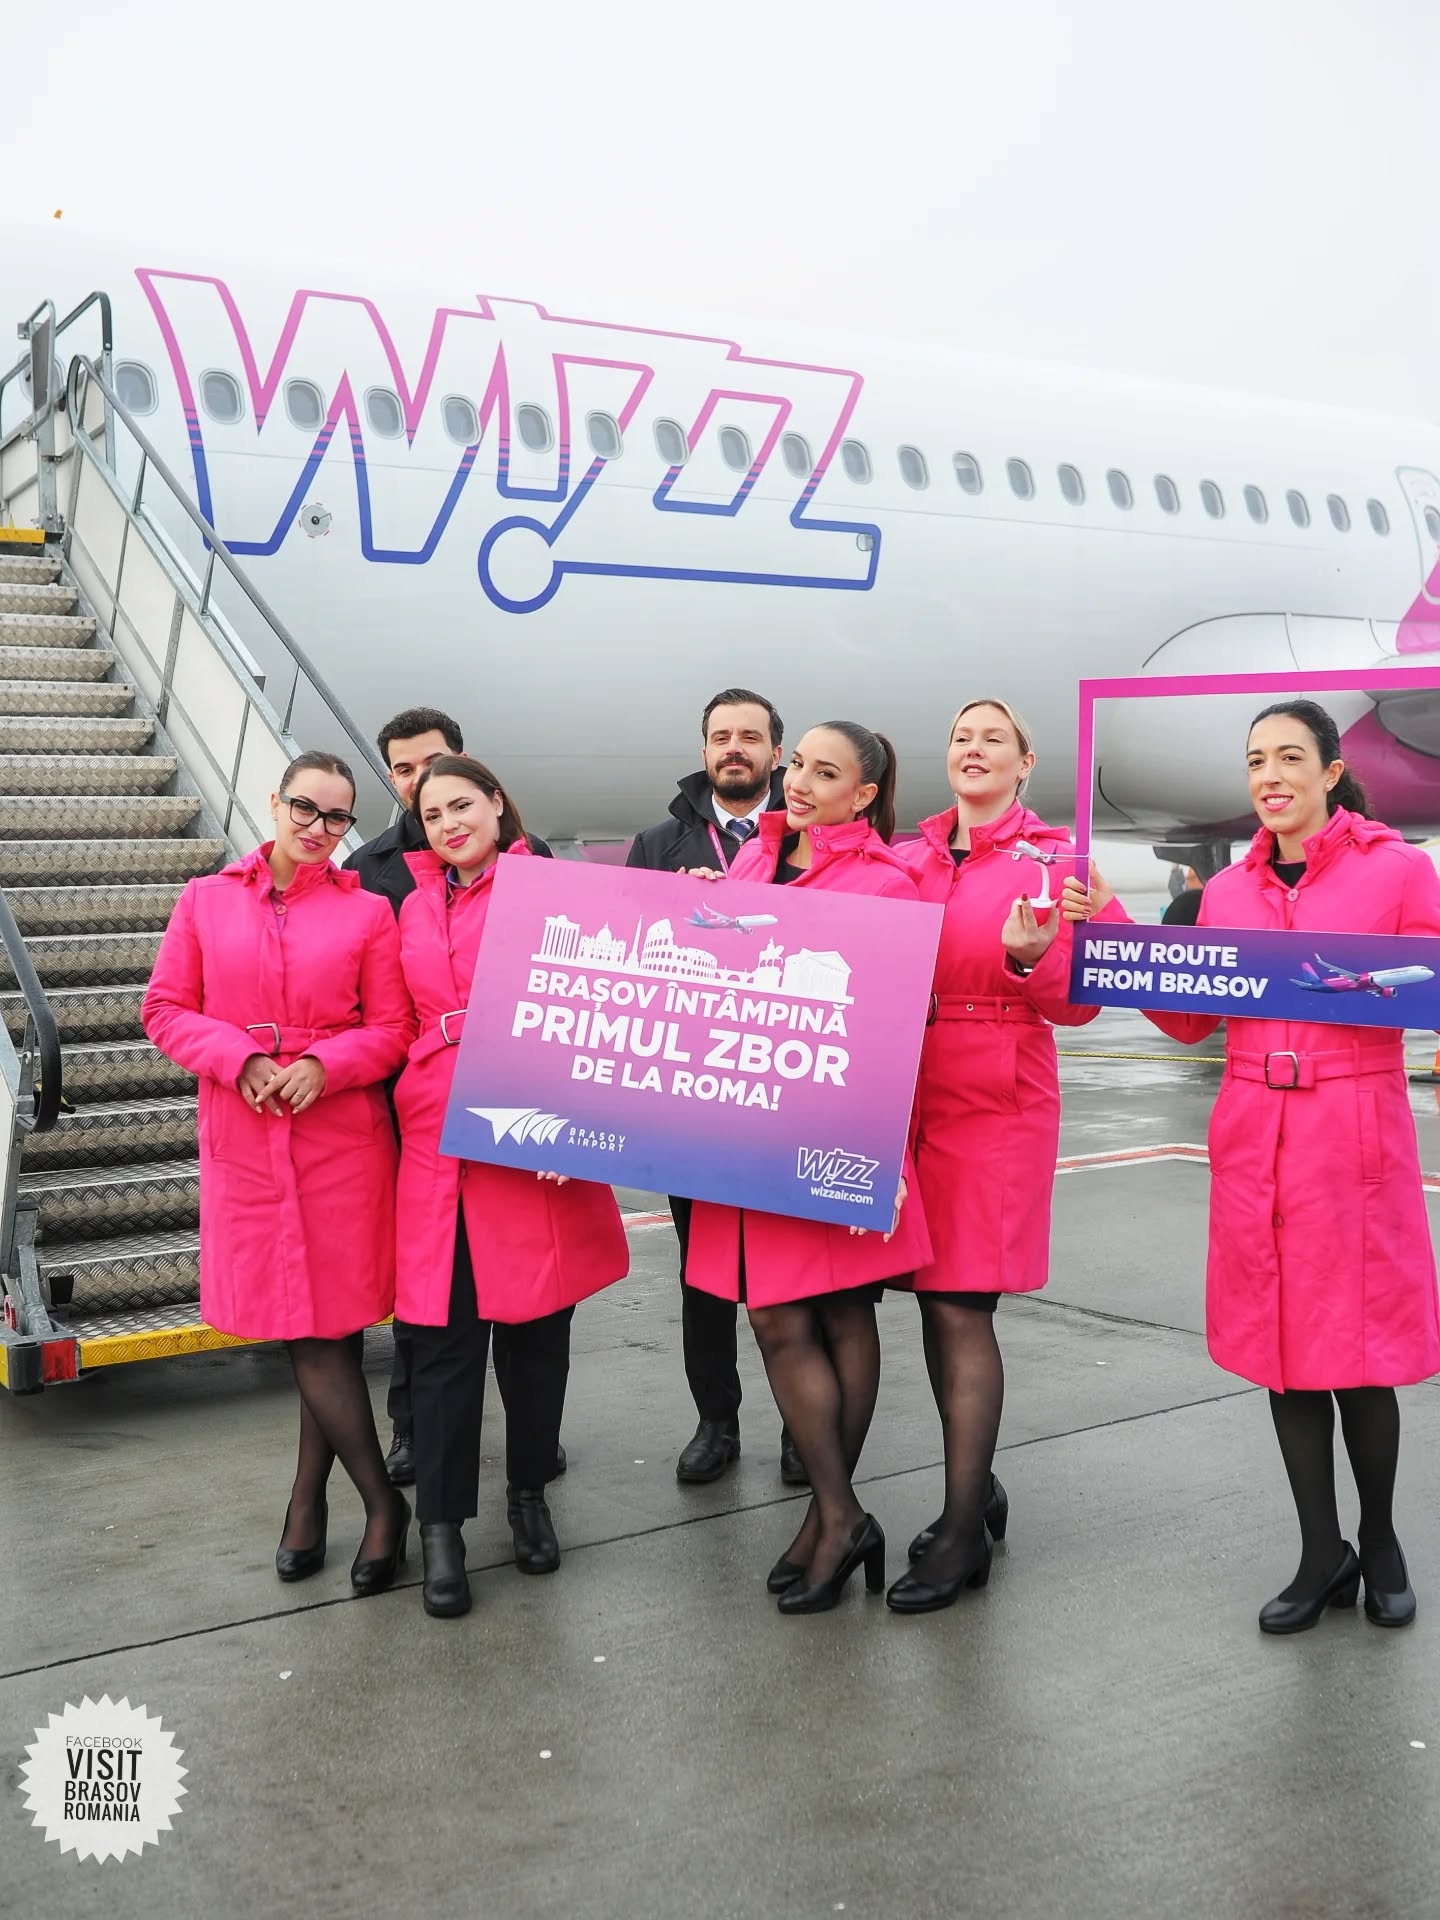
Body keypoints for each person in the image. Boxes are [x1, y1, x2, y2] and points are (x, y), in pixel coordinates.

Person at [1076, 699, 1440, 1633]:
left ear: (1330, 772)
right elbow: (1189, 1015)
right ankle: (1322, 1552)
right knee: (1285, 1357)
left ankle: (1380, 1540)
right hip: (1255, 1136)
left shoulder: (1398, 870)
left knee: (1360, 1355)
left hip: (1353, 1135)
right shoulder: (1228, 892)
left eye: (1288, 758)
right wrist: (1108, 919)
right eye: (1255, 761)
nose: (1269, 777)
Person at [142, 751, 416, 1596]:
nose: (319, 828)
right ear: (275, 801)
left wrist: (326, 1065)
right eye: (305, 808)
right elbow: (164, 1009)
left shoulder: (368, 913)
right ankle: (350, 1500)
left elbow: (394, 1028)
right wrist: (239, 1057)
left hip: (340, 1145)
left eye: (336, 817)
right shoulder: (205, 899)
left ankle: (349, 1504)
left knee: (325, 1330)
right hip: (248, 1134)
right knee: (311, 1331)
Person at [684, 721, 933, 1614]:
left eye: (825, 774)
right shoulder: (753, 859)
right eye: (798, 766)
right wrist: (697, 913)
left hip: (831, 1128)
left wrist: (883, 1146)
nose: (798, 782)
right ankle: (838, 1516)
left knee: (839, 1312)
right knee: (775, 1319)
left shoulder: (888, 881)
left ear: (862, 795)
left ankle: (832, 1521)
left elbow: (896, 1026)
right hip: (750, 1129)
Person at [887, 699, 1128, 1613]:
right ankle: (976, 1486)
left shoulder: (1060, 863)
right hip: (910, 1094)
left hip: (996, 1098)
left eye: (994, 738)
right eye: (961, 736)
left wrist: (1031, 962)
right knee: (930, 1296)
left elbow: (1084, 1002)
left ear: (1026, 763)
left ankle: (960, 1533)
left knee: (961, 1303)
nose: (974, 748)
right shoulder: (906, 858)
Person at [392, 753, 630, 1618]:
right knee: (442, 1350)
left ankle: (529, 1493)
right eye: (432, 815)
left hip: (534, 1138)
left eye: (462, 805)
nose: (449, 824)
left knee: (535, 1345)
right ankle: (441, 1531)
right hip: (440, 1145)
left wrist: (578, 1114)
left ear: (497, 804)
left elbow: (606, 1007)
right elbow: (397, 1020)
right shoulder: (413, 906)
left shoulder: (554, 890)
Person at [343, 705, 555, 1488]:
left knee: (532, 1312)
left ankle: (530, 1468)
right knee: (435, 1312)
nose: (429, 798)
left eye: (452, 792)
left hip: (524, 1117)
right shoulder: (375, 873)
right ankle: (423, 1452)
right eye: (411, 783)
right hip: (427, 1116)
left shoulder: (543, 877)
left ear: (492, 794)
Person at [626, 688, 804, 1487]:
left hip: (782, 1095)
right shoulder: (657, 844)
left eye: (749, 737)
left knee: (794, 1272)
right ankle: (716, 1420)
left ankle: (803, 1424)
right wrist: (681, 911)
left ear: (776, 752)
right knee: (703, 1272)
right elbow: (630, 948)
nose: (735, 748)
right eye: (721, 736)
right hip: (691, 1099)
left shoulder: (810, 837)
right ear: (704, 750)